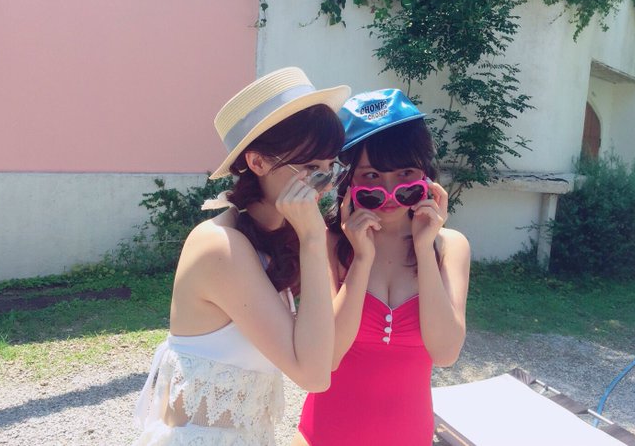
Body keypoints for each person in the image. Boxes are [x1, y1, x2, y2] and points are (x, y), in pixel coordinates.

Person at [133, 67, 351, 445]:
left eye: (330, 169)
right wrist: (314, 240)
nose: (325, 185)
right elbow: (314, 375)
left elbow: (325, 352)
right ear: (258, 162)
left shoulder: (277, 238)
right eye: (311, 168)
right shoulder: (220, 247)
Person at [293, 89, 471, 446]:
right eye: (372, 175)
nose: (390, 191)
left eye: (405, 172)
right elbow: (327, 357)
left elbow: (445, 353)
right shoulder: (327, 243)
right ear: (349, 181)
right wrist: (361, 260)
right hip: (324, 436)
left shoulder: (449, 247)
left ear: (426, 175)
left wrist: (424, 248)